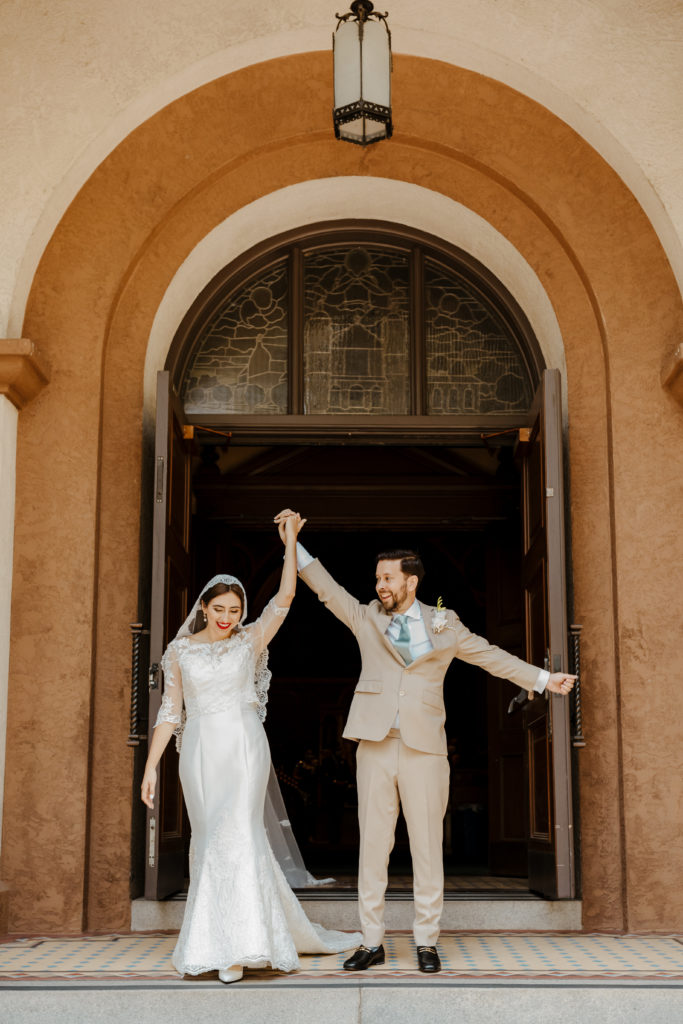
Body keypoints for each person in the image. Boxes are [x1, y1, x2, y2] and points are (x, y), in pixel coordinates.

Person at [274, 513, 575, 975]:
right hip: (374, 745)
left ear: (411, 581)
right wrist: (295, 545)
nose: (380, 585)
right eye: (377, 578)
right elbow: (328, 590)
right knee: (372, 846)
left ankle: (426, 941)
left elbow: (489, 655)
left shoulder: (444, 624)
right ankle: (371, 941)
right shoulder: (366, 617)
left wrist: (542, 678)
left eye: (388, 578)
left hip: (425, 750)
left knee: (428, 846)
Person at [141, 510, 360, 983]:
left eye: (234, 611)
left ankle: (241, 947)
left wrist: (290, 543)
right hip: (199, 752)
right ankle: (212, 940)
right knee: (210, 842)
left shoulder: (250, 641)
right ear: (203, 608)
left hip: (243, 745)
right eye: (219, 610)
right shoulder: (179, 652)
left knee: (238, 832)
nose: (226, 619)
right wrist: (151, 768)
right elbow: (170, 713)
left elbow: (284, 598)